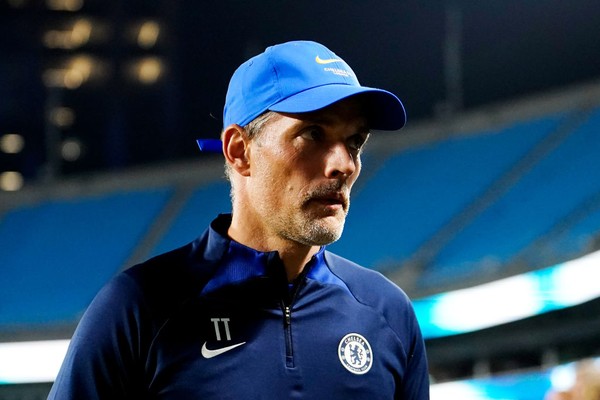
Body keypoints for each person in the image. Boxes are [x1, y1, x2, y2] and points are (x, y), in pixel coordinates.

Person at [48, 40, 430, 399]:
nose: (343, 165)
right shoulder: (138, 309)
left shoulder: (388, 313)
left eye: (354, 142)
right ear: (239, 151)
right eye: (312, 134)